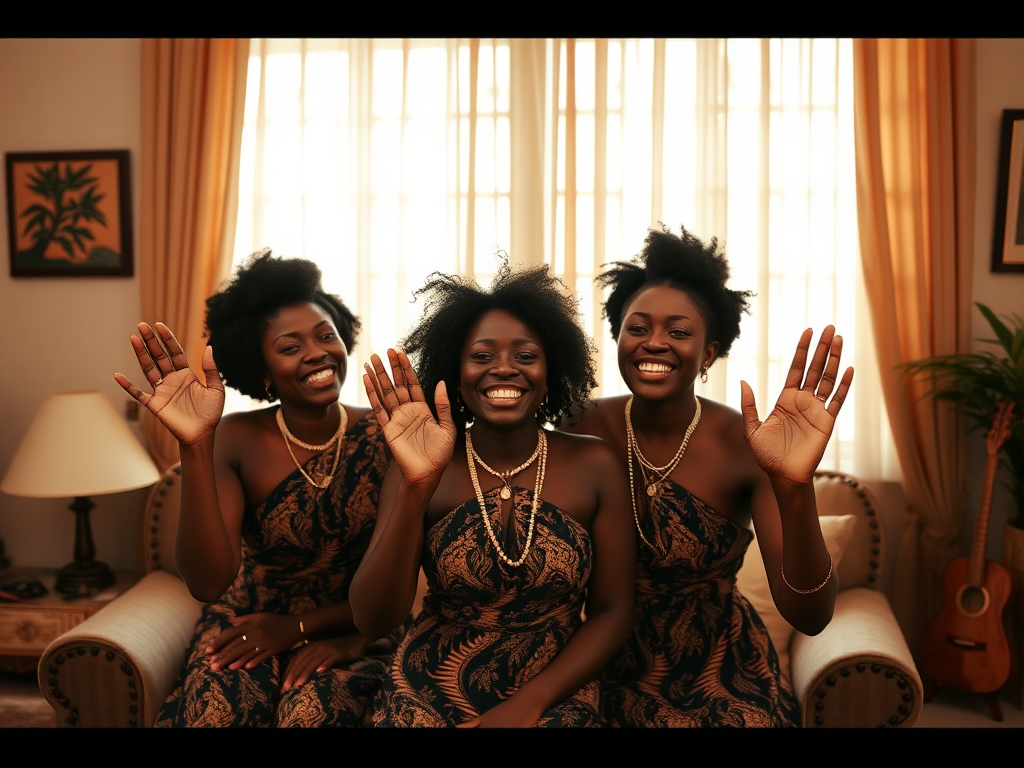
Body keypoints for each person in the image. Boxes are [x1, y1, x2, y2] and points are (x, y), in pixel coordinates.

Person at [563, 226, 854, 727]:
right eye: (638, 327)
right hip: (597, 662)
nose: (655, 342)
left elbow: (811, 615)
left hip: (717, 670)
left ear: (709, 353)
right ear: (617, 336)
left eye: (678, 331)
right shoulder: (577, 425)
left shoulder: (747, 444)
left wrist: (793, 486)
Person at [114, 251, 395, 727]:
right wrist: (196, 443)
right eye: (289, 347)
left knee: (310, 715)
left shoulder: (391, 436)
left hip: (352, 628)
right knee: (214, 714)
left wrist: (311, 630)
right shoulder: (234, 438)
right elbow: (207, 582)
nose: (316, 352)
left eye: (326, 335)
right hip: (247, 624)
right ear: (260, 369)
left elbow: (399, 587)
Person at [350, 263, 636, 727]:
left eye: (525, 355)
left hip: (554, 685)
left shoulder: (596, 466)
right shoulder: (418, 466)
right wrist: (416, 486)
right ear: (455, 372)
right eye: (482, 356)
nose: (503, 368)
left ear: (550, 371)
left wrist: (530, 702)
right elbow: (373, 618)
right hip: (429, 681)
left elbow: (612, 613)